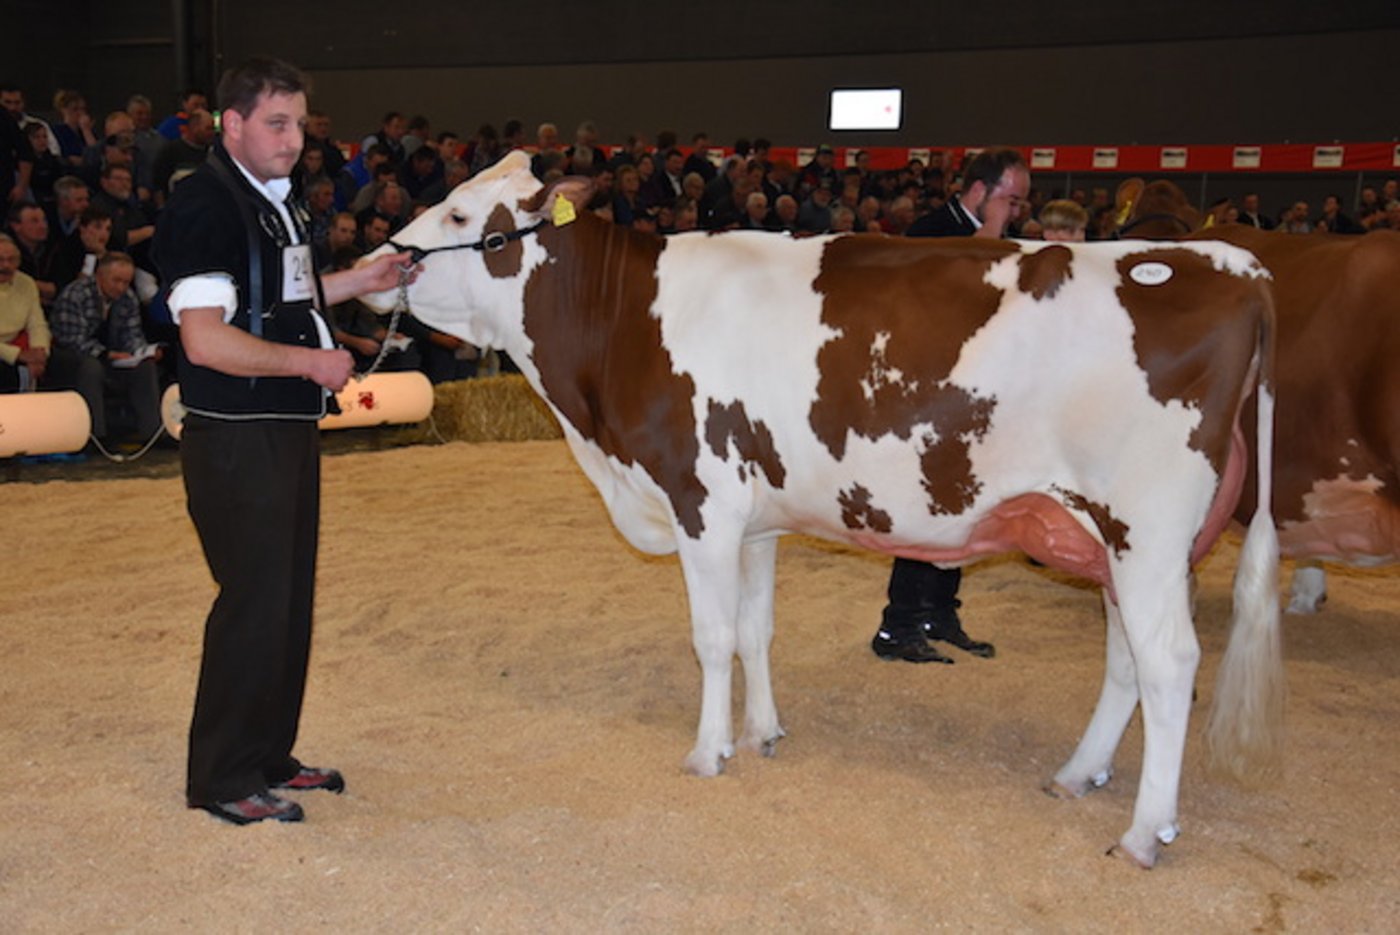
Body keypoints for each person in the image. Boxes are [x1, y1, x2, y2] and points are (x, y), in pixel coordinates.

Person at [152, 56, 413, 826]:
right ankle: (222, 776)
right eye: (277, 122)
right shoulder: (204, 205)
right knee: (253, 603)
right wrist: (312, 361)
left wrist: (359, 282)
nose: (294, 138)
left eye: (298, 122)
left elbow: (281, 298)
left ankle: (268, 754)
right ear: (231, 124)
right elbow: (204, 339)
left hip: (285, 428)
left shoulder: (278, 203)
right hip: (236, 435)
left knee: (287, 601)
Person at [873, 147, 1029, 664]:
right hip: (924, 391)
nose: (1017, 211)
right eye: (1011, 199)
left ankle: (940, 614)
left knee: (960, 508)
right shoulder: (930, 231)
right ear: (980, 192)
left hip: (969, 391)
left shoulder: (989, 235)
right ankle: (897, 627)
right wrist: (990, 238)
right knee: (924, 510)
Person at [47, 251, 162, 443]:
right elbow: (71, 339)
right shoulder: (76, 294)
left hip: (113, 357)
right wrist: (106, 354)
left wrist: (141, 352)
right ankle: (96, 435)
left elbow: (132, 334)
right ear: (99, 276)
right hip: (71, 358)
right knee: (91, 367)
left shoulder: (128, 297)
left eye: (126, 282)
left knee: (145, 367)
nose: (121, 287)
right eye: (116, 281)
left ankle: (152, 433)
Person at [0, 233, 50, 391]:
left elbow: (37, 324)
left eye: (11, 260)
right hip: (7, 351)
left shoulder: (26, 283)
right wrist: (17, 355)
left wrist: (40, 353)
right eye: (0, 259)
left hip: (18, 345)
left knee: (72, 364)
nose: (5, 266)